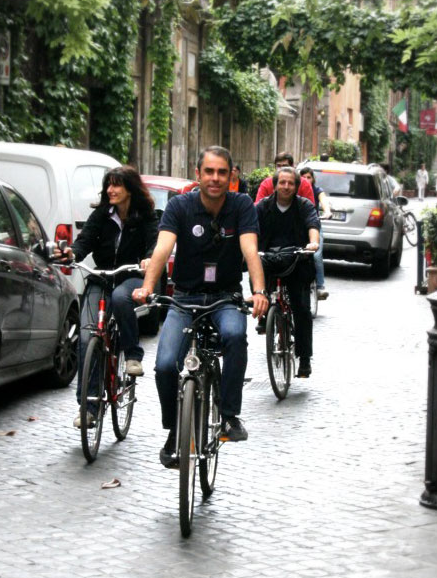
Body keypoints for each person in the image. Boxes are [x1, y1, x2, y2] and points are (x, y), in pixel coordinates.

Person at [134, 145, 269, 466]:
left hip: (225, 297)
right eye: (209, 171)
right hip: (184, 298)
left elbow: (250, 251)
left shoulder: (242, 206)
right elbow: (163, 248)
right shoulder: (180, 206)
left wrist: (259, 291)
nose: (215, 178)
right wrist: (147, 287)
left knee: (236, 337)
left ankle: (229, 416)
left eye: (222, 172)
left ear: (231, 176)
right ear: (198, 175)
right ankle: (175, 429)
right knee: (165, 365)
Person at [56, 166, 158, 428]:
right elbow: (84, 241)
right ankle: (87, 409)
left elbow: (154, 243)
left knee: (123, 299)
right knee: (87, 338)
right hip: (101, 277)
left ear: (130, 189)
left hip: (129, 276)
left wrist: (148, 258)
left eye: (117, 185)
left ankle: (133, 354)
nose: (111, 190)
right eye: (108, 185)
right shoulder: (101, 214)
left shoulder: (145, 216)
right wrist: (73, 255)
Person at [256, 166, 320, 378]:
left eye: (290, 183)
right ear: (275, 185)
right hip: (268, 258)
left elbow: (313, 226)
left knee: (301, 308)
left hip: (297, 259)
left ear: (296, 186)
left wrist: (312, 244)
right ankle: (264, 313)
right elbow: (250, 229)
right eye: (282, 182)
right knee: (257, 280)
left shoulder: (304, 206)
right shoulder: (263, 207)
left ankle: (304, 359)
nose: (286, 186)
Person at [299, 166, 332, 300]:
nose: (306, 180)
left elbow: (324, 200)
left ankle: (320, 286)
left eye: (309, 177)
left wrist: (327, 211)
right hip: (298, 226)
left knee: (317, 254)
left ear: (313, 179)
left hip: (314, 225)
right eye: (303, 177)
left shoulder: (317, 190)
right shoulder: (296, 188)